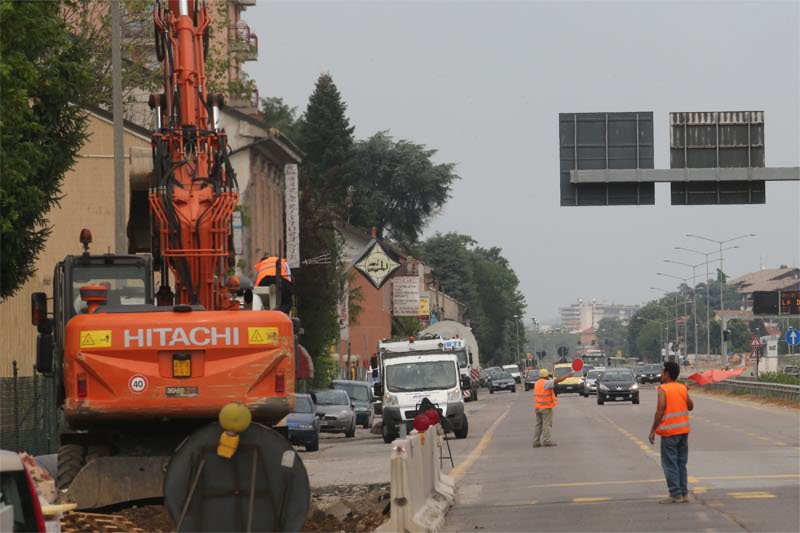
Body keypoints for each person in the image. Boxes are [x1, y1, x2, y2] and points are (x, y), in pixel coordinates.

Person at [649, 361, 694, 504]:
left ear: (667, 374)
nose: (661, 375)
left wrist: (653, 430)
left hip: (669, 432)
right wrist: (685, 392)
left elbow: (660, 410)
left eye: (663, 372)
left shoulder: (663, 389)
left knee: (670, 464)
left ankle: (675, 494)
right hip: (683, 431)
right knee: (681, 463)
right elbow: (690, 406)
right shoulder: (682, 388)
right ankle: (684, 493)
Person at [532, 367, 575, 448]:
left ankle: (535, 442)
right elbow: (557, 381)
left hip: (537, 407)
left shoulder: (537, 383)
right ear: (546, 376)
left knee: (538, 425)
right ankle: (547, 441)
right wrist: (567, 376)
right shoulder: (546, 382)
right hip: (545, 408)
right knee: (546, 425)